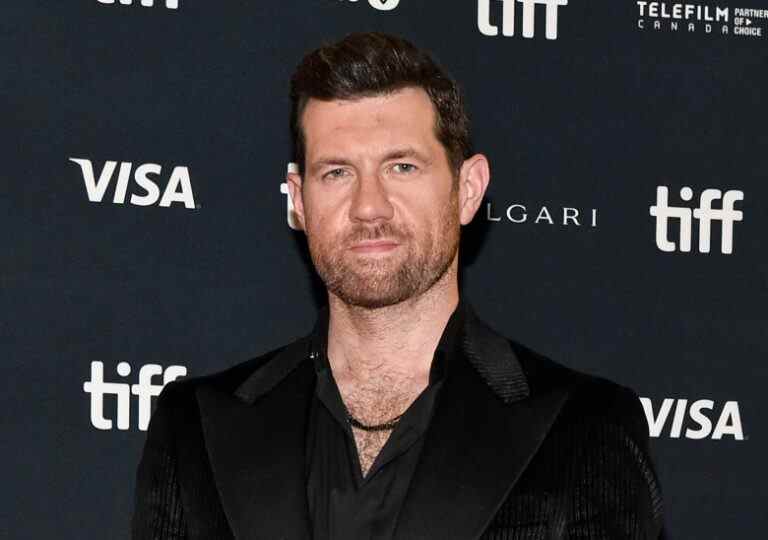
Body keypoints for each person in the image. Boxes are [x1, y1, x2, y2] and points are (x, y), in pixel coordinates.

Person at [131, 32, 664, 540]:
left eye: (402, 167)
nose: (369, 207)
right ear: (298, 198)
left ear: (468, 190)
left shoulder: (583, 427)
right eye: (336, 172)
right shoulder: (195, 426)